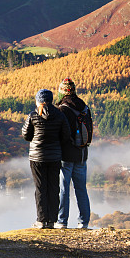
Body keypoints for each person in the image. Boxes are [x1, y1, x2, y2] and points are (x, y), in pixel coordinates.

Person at [22, 89, 71, 229]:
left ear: (38, 101)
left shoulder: (33, 115)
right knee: (53, 187)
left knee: (40, 188)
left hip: (37, 157)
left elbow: (26, 135)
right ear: (50, 100)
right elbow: (66, 135)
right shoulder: (60, 115)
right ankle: (52, 221)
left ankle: (41, 220)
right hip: (55, 157)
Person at [55, 78, 93, 229]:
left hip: (66, 155)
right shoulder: (84, 107)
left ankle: (62, 221)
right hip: (82, 153)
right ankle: (83, 222)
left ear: (62, 92)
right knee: (81, 189)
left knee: (64, 189)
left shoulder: (61, 109)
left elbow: (61, 135)